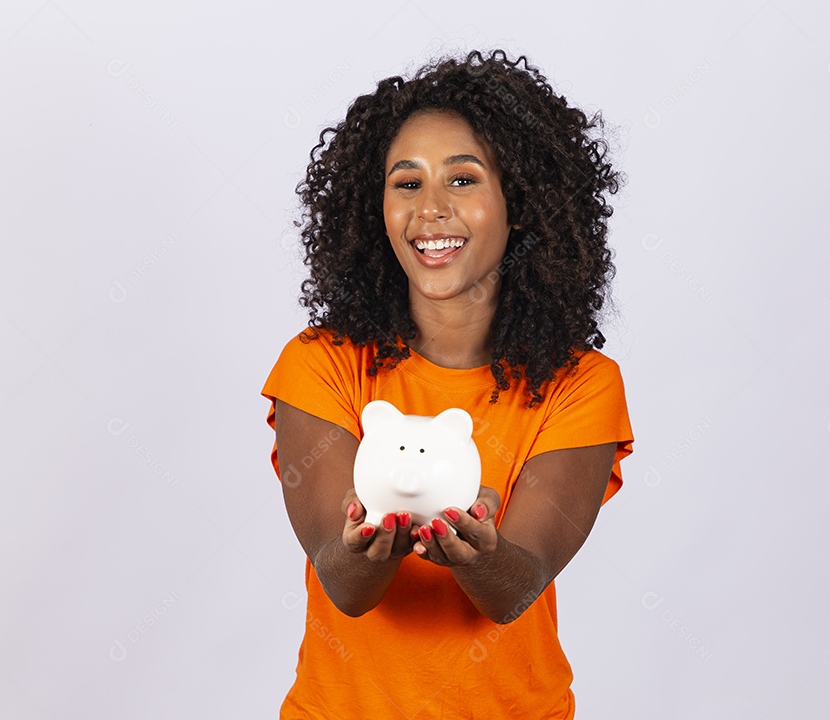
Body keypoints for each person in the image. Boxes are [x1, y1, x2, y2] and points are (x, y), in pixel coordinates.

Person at [261, 48, 634, 719]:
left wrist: (475, 551)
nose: (430, 209)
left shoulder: (583, 385)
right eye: (406, 184)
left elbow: (515, 591)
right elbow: (343, 583)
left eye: (462, 180)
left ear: (519, 203)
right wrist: (373, 543)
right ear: (373, 208)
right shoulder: (320, 364)